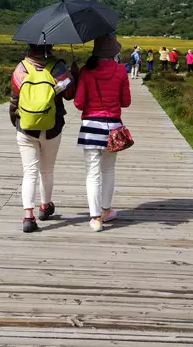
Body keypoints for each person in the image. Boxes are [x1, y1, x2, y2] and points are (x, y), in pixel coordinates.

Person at [10, 44, 77, 233]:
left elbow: (14, 98)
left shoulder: (21, 68)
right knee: (46, 171)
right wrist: (74, 75)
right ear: (50, 46)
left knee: (29, 171)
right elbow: (70, 95)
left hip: (25, 128)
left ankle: (28, 216)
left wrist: (17, 123)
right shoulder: (58, 67)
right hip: (52, 127)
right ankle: (45, 206)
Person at [74, 34, 131, 232]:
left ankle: (95, 218)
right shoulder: (121, 71)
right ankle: (106, 210)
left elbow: (79, 103)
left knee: (92, 174)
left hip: (90, 128)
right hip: (113, 127)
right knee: (108, 171)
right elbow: (126, 102)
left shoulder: (86, 71)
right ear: (114, 51)